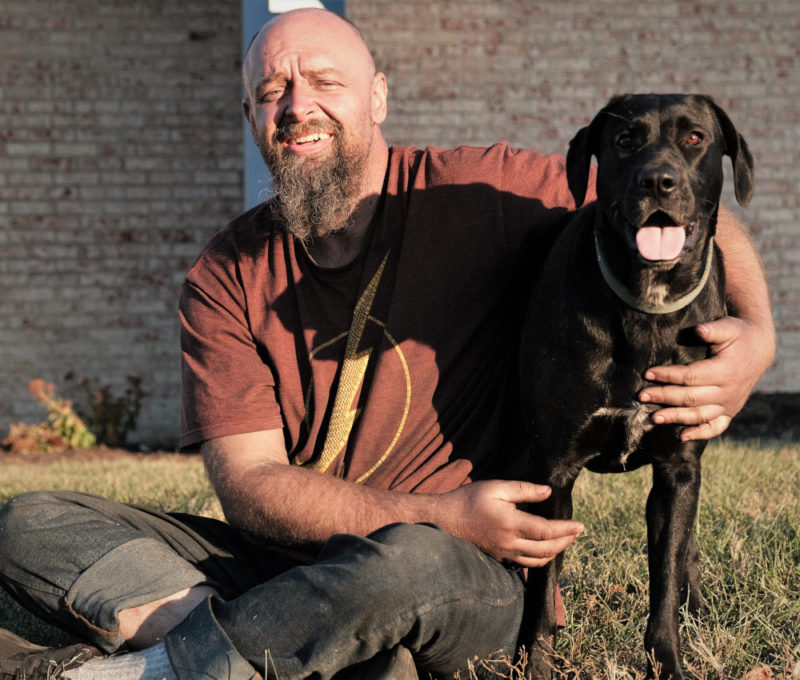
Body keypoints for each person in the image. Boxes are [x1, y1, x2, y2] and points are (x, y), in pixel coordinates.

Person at [0, 8, 775, 680]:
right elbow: (250, 485)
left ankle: (169, 663)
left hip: (458, 564)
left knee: (400, 565)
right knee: (30, 522)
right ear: (249, 116)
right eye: (272, 91)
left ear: (377, 97)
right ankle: (323, 648)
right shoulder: (223, 273)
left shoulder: (474, 194)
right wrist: (435, 510)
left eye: (324, 83)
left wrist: (757, 338)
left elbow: (665, 200)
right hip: (291, 561)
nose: (297, 107)